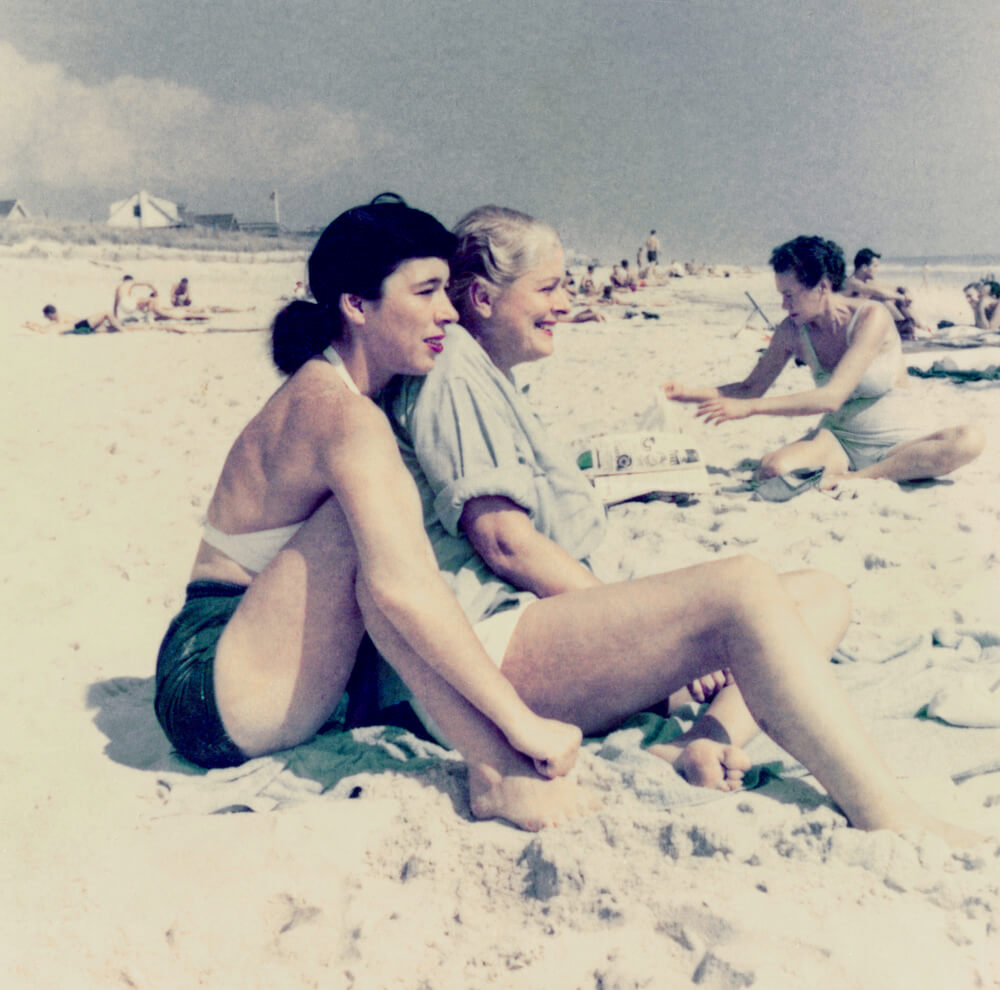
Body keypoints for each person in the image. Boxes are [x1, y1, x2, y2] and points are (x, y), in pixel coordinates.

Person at [382, 206, 983, 843]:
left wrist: (655, 627)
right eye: (550, 287)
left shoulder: (486, 376)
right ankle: (887, 813)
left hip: (547, 628)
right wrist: (639, 620)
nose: (565, 303)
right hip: (494, 648)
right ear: (482, 297)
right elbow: (504, 543)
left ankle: (704, 740)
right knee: (744, 588)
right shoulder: (454, 376)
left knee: (818, 593)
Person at [153, 195, 591, 832]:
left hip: (252, 661)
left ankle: (489, 753)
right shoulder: (340, 414)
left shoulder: (349, 395)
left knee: (381, 543)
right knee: (372, 547)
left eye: (448, 290)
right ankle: (493, 768)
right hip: (209, 686)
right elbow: (401, 590)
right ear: (357, 307)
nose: (448, 312)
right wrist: (518, 723)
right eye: (426, 292)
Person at [664, 236, 985, 490]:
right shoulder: (792, 330)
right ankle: (858, 473)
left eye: (790, 294)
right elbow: (750, 387)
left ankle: (863, 477)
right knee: (772, 469)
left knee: (970, 441)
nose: (783, 304)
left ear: (822, 287)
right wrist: (686, 393)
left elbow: (832, 397)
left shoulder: (871, 317)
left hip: (899, 444)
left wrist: (748, 409)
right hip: (839, 441)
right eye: (781, 294)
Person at [844, 248, 931, 339]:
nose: (877, 270)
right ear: (864, 268)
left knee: (897, 298)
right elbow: (877, 292)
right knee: (880, 298)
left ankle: (919, 326)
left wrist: (905, 292)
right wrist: (901, 297)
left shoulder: (867, 282)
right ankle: (908, 327)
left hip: (869, 323)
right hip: (853, 326)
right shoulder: (852, 282)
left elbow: (896, 288)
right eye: (875, 266)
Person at [24, 304, 125, 335]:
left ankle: (126, 329)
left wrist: (35, 327)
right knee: (107, 315)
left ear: (50, 314)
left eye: (47, 317)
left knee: (110, 322)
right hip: (82, 326)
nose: (48, 319)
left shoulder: (61, 317)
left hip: (82, 326)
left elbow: (53, 327)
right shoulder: (59, 319)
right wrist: (34, 326)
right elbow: (49, 328)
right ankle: (125, 330)